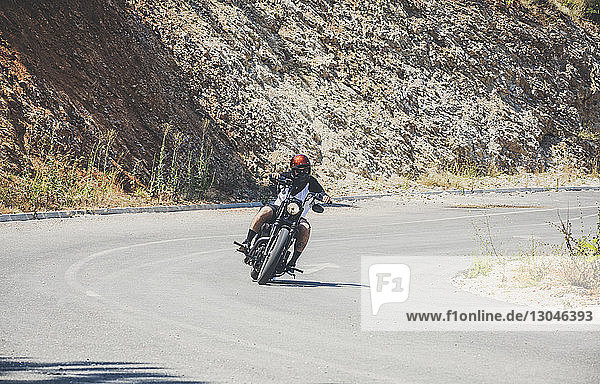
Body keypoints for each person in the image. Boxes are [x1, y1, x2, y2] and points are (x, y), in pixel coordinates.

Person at [237, 154, 332, 271]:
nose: (302, 173)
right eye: (299, 171)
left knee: (305, 228)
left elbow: (322, 193)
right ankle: (247, 241)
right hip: (279, 209)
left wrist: (325, 197)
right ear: (293, 171)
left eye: (305, 170)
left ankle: (293, 262)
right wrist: (274, 176)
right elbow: (274, 177)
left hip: (298, 216)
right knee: (265, 211)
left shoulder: (311, 182)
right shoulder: (286, 176)